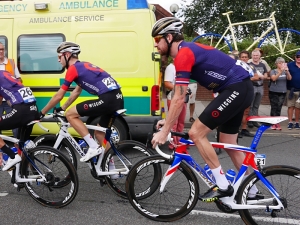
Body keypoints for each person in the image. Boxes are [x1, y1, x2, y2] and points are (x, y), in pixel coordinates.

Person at [150, 17, 258, 201]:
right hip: (238, 88)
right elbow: (179, 95)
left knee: (196, 133)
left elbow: (178, 97)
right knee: (228, 143)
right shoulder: (186, 52)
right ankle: (251, 190)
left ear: (168, 37)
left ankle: (223, 187)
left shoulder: (184, 54)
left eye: (156, 40)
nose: (155, 46)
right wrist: (167, 121)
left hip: (236, 88)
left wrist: (166, 130)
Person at [40, 42, 124, 162]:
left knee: (70, 114)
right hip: (117, 97)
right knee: (99, 134)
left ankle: (93, 147)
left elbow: (58, 96)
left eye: (59, 56)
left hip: (108, 99)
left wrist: (42, 113)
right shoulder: (83, 66)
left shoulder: (73, 69)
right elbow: (76, 92)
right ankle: (110, 168)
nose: (58, 60)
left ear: (67, 55)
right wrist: (62, 108)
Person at [0, 70, 39, 171]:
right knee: (20, 143)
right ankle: (24, 173)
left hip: (22, 110)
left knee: (19, 146)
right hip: (34, 110)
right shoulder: (4, 73)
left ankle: (12, 156)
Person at [0, 42, 22, 138]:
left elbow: (19, 80)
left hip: (10, 100)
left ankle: (18, 147)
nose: (1, 51)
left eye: (2, 49)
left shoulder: (11, 63)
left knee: (15, 124)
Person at [164, 60, 187, 150]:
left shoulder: (182, 68)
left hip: (182, 98)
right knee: (174, 122)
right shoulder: (171, 68)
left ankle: (179, 141)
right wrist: (180, 89)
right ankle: (173, 143)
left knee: (181, 122)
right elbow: (167, 83)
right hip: (173, 98)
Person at [238, 50, 260, 137]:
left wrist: (246, 80)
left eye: (246, 57)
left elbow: (257, 77)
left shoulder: (251, 67)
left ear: (248, 58)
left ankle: (244, 129)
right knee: (238, 111)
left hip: (248, 90)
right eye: (242, 57)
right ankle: (236, 131)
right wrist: (249, 79)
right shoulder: (237, 66)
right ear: (240, 58)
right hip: (239, 91)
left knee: (246, 112)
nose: (244, 59)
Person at [247, 49, 268, 128]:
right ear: (252, 56)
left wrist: (263, 76)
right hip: (252, 86)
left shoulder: (262, 65)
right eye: (254, 55)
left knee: (256, 105)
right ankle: (250, 120)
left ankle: (255, 120)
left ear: (260, 56)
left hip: (260, 86)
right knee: (251, 105)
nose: (255, 57)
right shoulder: (249, 64)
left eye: (257, 55)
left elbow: (266, 74)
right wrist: (259, 77)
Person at [269, 57, 292, 130]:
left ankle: (277, 122)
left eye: (282, 63)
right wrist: (280, 72)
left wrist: (287, 71)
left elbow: (289, 78)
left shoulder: (285, 71)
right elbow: (273, 79)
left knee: (279, 107)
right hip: (273, 91)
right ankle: (272, 123)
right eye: (279, 63)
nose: (281, 64)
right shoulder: (273, 71)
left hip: (282, 91)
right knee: (274, 107)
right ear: (276, 64)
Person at [286, 50, 300, 129]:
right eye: (297, 57)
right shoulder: (289, 65)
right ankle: (290, 122)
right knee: (290, 106)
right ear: (295, 57)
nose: (299, 58)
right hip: (291, 89)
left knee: (298, 107)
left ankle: (297, 122)